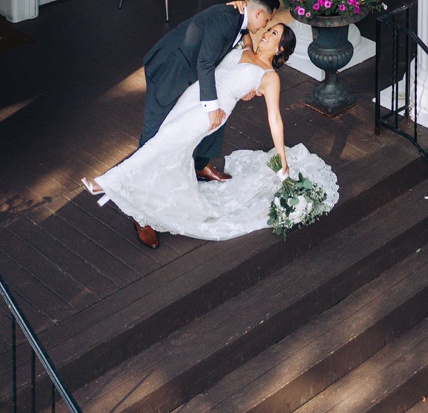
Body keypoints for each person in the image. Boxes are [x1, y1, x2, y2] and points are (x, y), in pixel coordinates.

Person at [83, 19, 339, 247]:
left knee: (165, 141)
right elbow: (246, 29)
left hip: (211, 113)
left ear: (281, 49)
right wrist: (241, 9)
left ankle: (106, 182)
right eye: (269, 29)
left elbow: (275, 118)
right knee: (171, 149)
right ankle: (153, 206)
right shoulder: (246, 48)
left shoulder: (269, 77)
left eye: (273, 35)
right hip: (193, 96)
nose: (266, 34)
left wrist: (282, 156)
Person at [139, 0, 279, 190]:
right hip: (170, 69)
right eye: (267, 20)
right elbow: (205, 62)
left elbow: (242, 42)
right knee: (154, 131)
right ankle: (138, 193)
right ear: (259, 14)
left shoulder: (240, 19)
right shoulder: (226, 18)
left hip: (192, 71)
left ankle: (200, 165)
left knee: (221, 107)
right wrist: (211, 107)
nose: (266, 26)